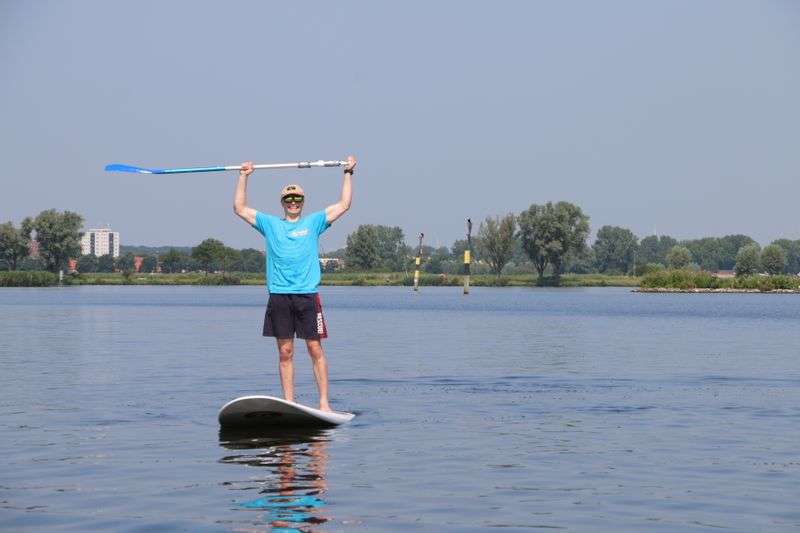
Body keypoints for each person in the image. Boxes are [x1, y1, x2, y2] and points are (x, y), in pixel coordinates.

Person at [234, 156, 356, 411]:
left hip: (307, 296)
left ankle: (324, 403)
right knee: (285, 352)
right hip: (279, 296)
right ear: (282, 203)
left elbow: (344, 204)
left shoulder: (314, 222)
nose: (293, 203)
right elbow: (240, 208)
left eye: (297, 199)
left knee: (314, 348)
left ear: (302, 202)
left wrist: (347, 173)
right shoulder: (270, 224)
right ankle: (289, 403)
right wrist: (244, 176)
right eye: (288, 199)